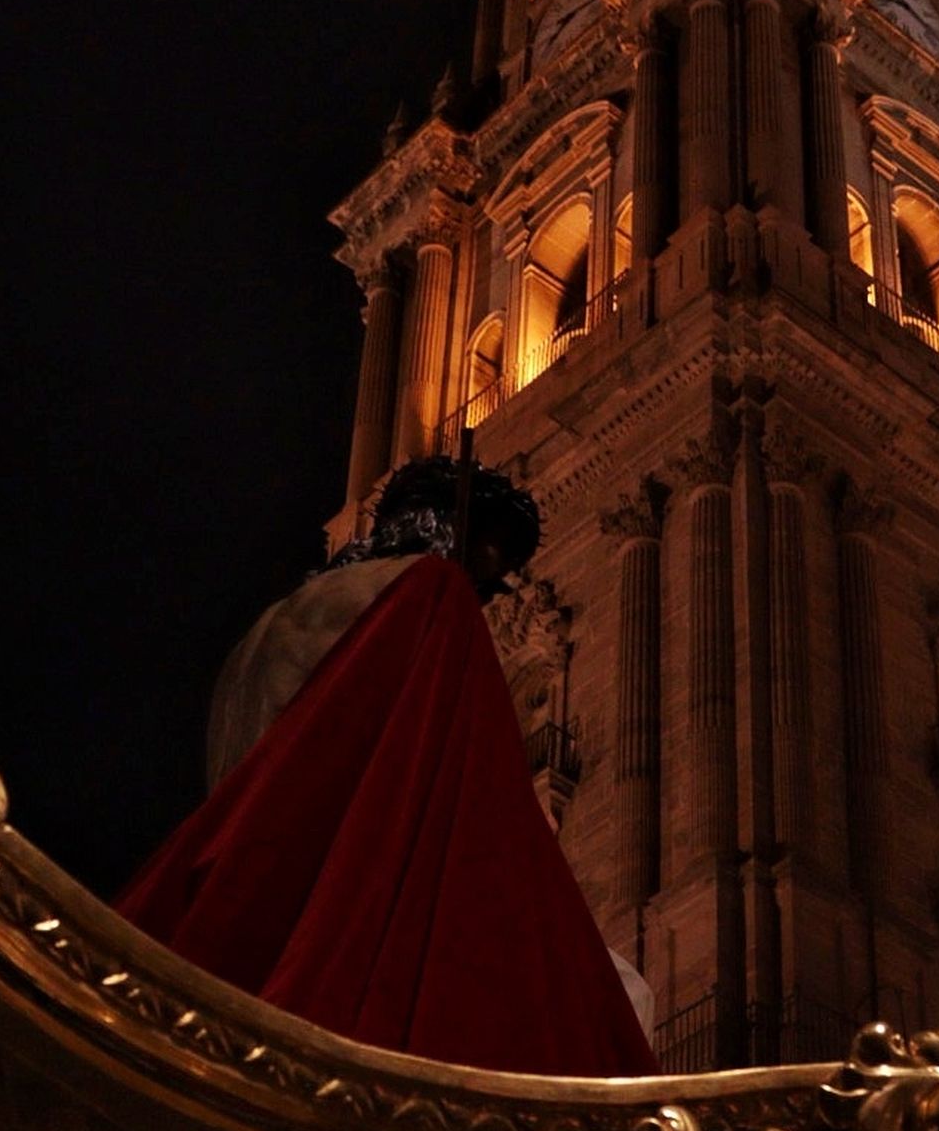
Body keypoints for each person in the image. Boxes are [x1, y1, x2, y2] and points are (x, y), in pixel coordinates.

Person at [116, 456, 657, 1080]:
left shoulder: (263, 631)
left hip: (233, 912)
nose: (494, 588)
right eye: (490, 562)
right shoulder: (427, 598)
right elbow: (466, 788)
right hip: (348, 913)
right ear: (450, 530)